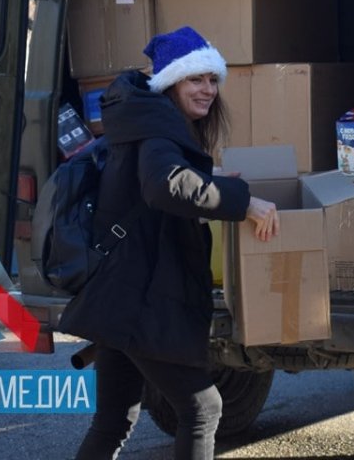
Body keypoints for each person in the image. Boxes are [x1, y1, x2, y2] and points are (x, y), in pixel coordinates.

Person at [58, 25, 279, 460]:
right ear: (170, 82)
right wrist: (243, 202)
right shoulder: (159, 132)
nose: (208, 89)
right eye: (196, 79)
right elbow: (164, 186)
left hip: (120, 290)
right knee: (202, 408)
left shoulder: (145, 122)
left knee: (114, 419)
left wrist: (211, 183)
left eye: (213, 79)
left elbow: (154, 188)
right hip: (140, 296)